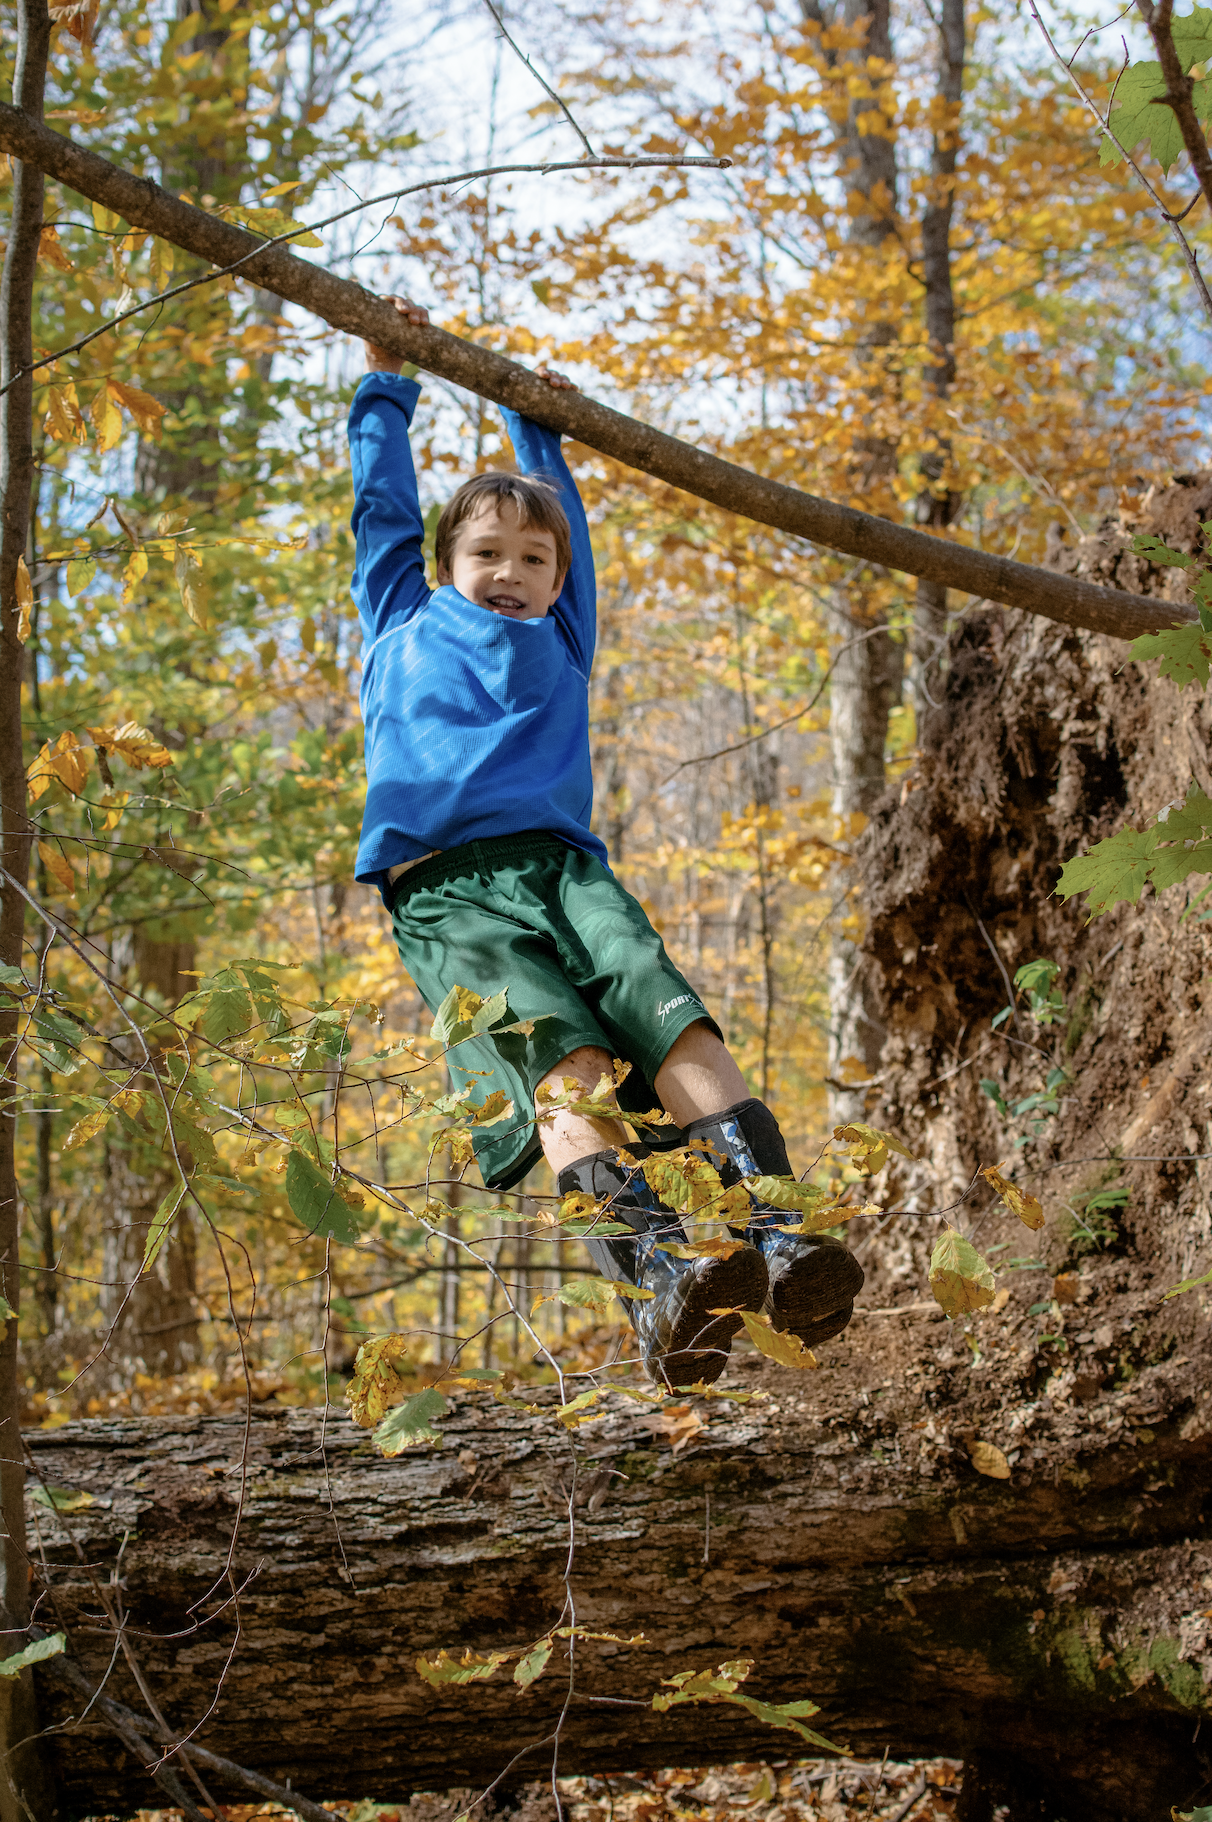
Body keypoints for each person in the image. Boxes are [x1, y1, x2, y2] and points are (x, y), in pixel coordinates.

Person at [348, 295, 863, 1388]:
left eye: (534, 558)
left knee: (673, 1017)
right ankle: (661, 1280)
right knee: (566, 1068)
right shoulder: (399, 617)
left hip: (569, 870)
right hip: (448, 894)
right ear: (444, 561)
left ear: (558, 575)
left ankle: (778, 1236)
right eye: (486, 551)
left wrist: (538, 426)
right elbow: (380, 511)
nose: (512, 572)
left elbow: (564, 512)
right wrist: (385, 382)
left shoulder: (565, 633)